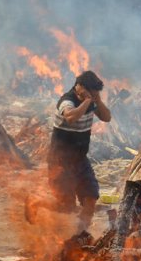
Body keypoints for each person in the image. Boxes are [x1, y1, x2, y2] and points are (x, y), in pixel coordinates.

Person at [27, 70, 111, 231]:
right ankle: (35, 201)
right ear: (80, 87)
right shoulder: (67, 101)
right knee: (67, 207)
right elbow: (71, 118)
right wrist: (87, 101)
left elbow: (107, 117)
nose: (94, 96)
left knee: (91, 198)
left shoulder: (93, 101)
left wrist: (97, 101)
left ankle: (81, 234)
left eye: (96, 93)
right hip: (60, 162)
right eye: (92, 92)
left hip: (80, 160)